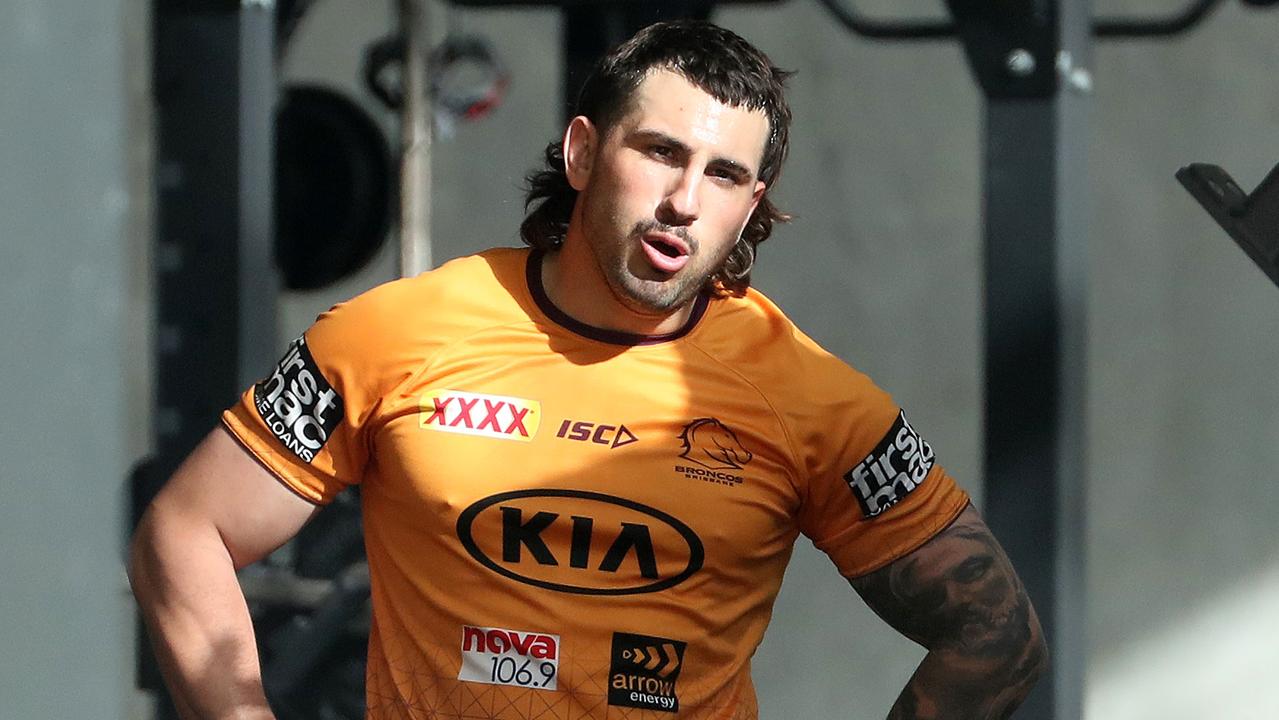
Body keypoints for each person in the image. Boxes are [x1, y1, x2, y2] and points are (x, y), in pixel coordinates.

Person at [129, 20, 1046, 720]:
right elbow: (183, 534)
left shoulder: (814, 401)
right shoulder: (392, 334)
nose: (685, 201)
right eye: (659, 153)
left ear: (750, 204)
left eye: (724, 175)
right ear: (580, 153)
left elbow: (995, 633)